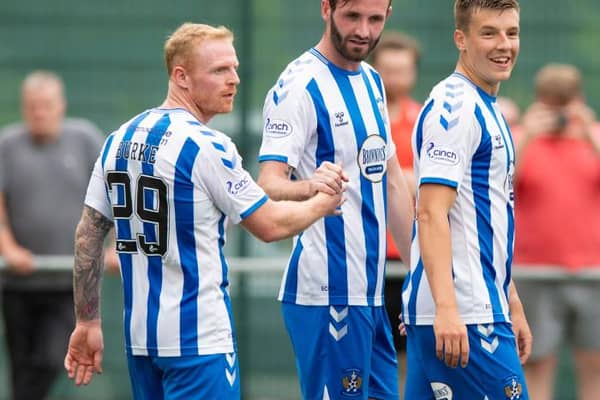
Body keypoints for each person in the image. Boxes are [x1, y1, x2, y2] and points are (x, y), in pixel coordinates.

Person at [63, 23, 345, 400]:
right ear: (181, 76)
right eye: (219, 71)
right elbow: (270, 225)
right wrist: (323, 204)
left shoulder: (120, 137)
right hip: (199, 342)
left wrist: (86, 320)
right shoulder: (207, 145)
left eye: (235, 68)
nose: (234, 80)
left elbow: (88, 234)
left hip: (141, 342)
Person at [257, 1, 414, 399]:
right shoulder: (299, 85)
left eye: (375, 19)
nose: (363, 30)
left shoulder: (372, 81)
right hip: (327, 295)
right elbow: (268, 183)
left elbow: (393, 184)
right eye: (352, 17)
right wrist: (309, 186)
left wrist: (422, 274)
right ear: (326, 8)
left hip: (372, 295)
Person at [401, 1, 532, 399]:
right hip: (464, 314)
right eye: (488, 33)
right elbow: (430, 211)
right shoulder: (454, 107)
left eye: (511, 32)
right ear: (461, 39)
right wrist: (447, 308)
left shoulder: (487, 106)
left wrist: (511, 298)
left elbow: (485, 219)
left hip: (478, 304)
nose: (503, 45)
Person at [0, 71, 112, 400]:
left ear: (61, 106)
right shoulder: (7, 145)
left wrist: (114, 246)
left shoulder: (85, 139)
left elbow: (114, 194)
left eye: (46, 105)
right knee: (22, 366)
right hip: (19, 281)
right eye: (33, 106)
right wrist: (10, 249)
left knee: (51, 359)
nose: (40, 113)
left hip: (69, 282)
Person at [514, 63, 600, 400]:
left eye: (565, 105)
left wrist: (588, 132)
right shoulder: (523, 138)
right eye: (552, 106)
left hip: (592, 272)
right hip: (535, 271)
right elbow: (501, 184)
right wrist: (530, 134)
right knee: (536, 363)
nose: (560, 116)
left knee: (594, 364)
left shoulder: (592, 136)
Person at [370, 30, 421, 397]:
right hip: (367, 255)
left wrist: (396, 175)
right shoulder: (362, 117)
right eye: (388, 69)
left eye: (402, 70)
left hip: (405, 257)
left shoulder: (422, 119)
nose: (394, 78)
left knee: (410, 355)